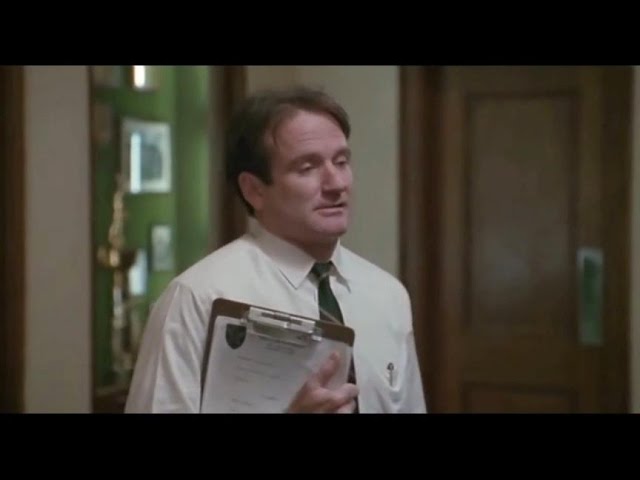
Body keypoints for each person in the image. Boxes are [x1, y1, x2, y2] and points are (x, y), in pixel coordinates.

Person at [125, 86, 427, 413]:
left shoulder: (388, 296)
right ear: (254, 190)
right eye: (307, 168)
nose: (337, 184)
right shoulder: (197, 298)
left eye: (341, 162)